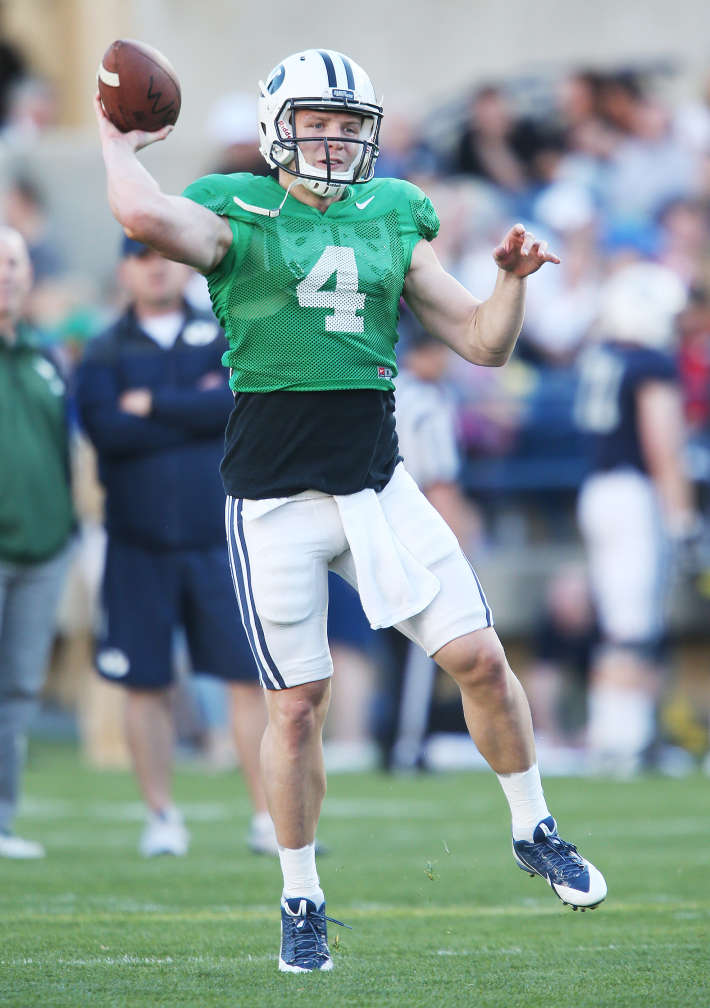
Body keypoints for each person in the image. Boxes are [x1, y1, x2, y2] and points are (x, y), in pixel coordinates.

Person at [94, 47, 607, 972]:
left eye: (346, 126)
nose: (333, 142)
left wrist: (514, 284)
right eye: (316, 123)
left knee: (481, 659)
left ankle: (535, 827)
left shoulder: (393, 214)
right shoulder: (235, 210)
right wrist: (112, 134)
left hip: (378, 484)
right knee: (297, 708)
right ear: (274, 130)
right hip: (274, 501)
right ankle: (300, 893)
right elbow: (136, 210)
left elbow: (484, 345)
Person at [75, 238, 277, 857]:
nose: (154, 262)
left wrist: (155, 406)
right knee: (145, 684)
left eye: (162, 252)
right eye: (139, 254)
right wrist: (192, 410)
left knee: (249, 681)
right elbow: (105, 426)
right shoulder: (105, 348)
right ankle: (161, 816)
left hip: (219, 541)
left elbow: (238, 403)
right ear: (124, 267)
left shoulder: (220, 329)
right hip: (137, 543)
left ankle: (268, 819)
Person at [575, 260, 700, 774]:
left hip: (599, 491)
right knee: (634, 626)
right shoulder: (649, 363)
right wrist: (683, 520)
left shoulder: (602, 356)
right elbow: (663, 445)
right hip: (632, 495)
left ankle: (616, 731)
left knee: (619, 623)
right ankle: (622, 739)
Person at [0, 226, 74, 858]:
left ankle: (2, 821)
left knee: (21, 685)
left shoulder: (45, 354)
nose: (6, 273)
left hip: (44, 547)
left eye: (14, 262)